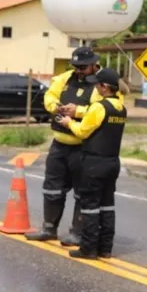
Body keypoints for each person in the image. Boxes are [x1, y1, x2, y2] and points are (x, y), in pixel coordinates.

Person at [25, 46, 124, 246]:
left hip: (84, 148)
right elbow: (49, 96)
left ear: (94, 64)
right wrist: (57, 107)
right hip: (60, 144)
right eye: (76, 66)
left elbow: (109, 106)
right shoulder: (65, 78)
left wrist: (77, 111)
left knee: (82, 192)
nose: (79, 70)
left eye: (83, 67)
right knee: (52, 188)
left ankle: (78, 233)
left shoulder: (103, 83)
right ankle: (48, 228)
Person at [55, 68, 127, 259]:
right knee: (107, 205)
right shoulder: (120, 107)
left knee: (90, 206)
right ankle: (105, 248)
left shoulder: (99, 107)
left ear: (104, 87)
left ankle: (88, 248)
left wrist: (68, 122)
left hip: (94, 162)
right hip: (112, 162)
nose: (95, 86)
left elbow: (83, 131)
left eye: (97, 84)